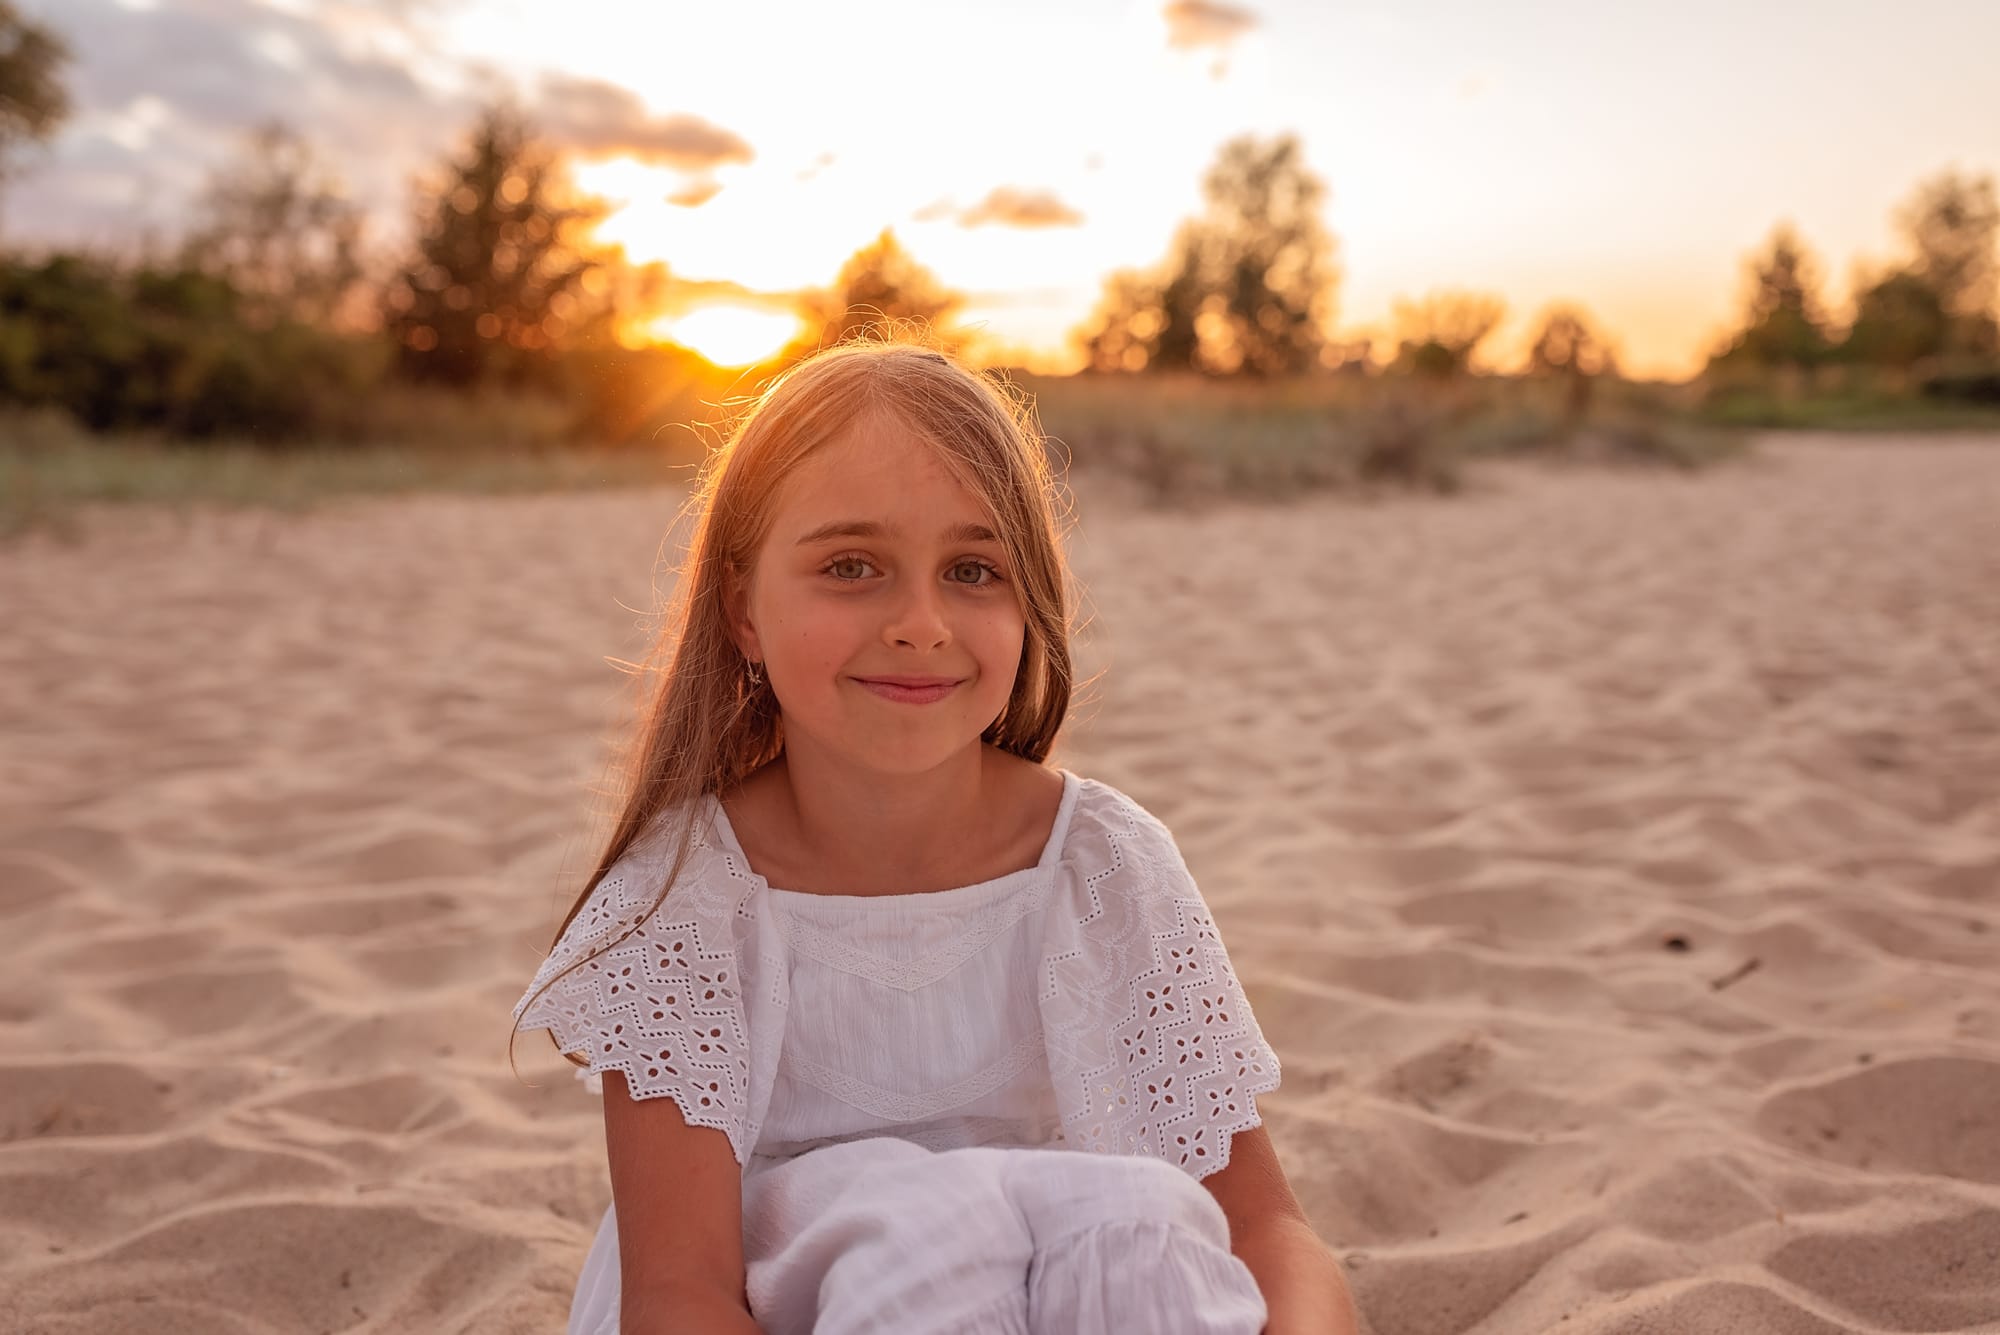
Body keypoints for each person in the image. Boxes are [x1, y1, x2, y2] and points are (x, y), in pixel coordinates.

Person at [510, 340, 1357, 1335]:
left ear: (1028, 601)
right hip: (768, 1303)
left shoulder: (1099, 864)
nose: (919, 622)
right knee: (931, 1236)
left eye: (970, 569)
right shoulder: (686, 894)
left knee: (1140, 1223)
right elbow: (678, 1292)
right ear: (741, 607)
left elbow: (1262, 1229)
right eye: (851, 567)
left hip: (1042, 1293)